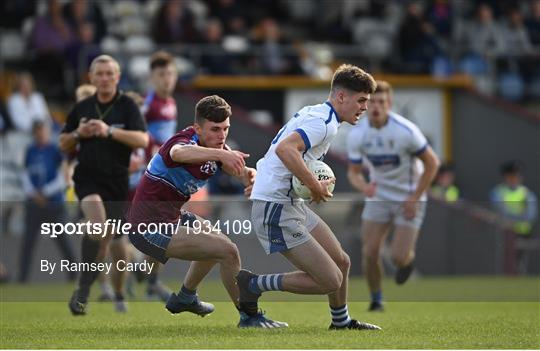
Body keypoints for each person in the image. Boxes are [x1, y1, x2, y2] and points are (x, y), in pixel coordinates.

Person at [127, 95, 287, 328]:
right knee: (228, 251)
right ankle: (249, 317)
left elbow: (243, 173)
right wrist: (222, 155)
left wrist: (252, 179)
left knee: (220, 243)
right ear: (197, 128)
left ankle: (185, 297)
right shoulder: (182, 143)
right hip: (147, 227)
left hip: (172, 218)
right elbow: (177, 154)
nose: (221, 136)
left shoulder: (216, 149)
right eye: (214, 129)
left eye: (225, 128)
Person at [245, 64, 381, 330]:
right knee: (330, 280)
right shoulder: (323, 123)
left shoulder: (321, 114)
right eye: (361, 100)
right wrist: (314, 185)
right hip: (276, 207)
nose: (364, 107)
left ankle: (340, 323)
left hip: (288, 201)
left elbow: (280, 151)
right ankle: (253, 284)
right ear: (341, 97)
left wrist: (265, 180)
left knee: (342, 262)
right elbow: (286, 149)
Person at [59, 55, 149, 315]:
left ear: (117, 77)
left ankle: (118, 293)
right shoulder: (82, 107)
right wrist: (79, 134)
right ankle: (84, 288)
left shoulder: (127, 107)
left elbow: (142, 139)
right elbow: (63, 142)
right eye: (100, 73)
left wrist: (109, 131)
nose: (105, 78)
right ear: (92, 77)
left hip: (117, 183)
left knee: (118, 246)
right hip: (87, 178)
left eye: (110, 73)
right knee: (98, 227)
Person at [346, 80, 440, 312]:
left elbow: (432, 163)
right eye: (371, 102)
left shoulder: (406, 131)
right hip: (379, 196)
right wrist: (363, 186)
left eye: (381, 102)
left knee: (398, 257)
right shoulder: (358, 133)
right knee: (369, 252)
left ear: (389, 104)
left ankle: (406, 261)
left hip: (408, 196)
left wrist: (415, 197)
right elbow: (354, 172)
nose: (376, 107)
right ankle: (376, 299)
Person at [19, 121, 76, 283]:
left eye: (43, 131)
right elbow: (25, 174)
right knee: (28, 241)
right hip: (34, 204)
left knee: (63, 239)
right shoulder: (30, 151)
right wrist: (34, 194)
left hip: (54, 203)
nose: (40, 134)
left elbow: (63, 175)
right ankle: (22, 277)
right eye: (37, 131)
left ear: (47, 132)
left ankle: (73, 273)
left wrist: (45, 192)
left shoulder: (55, 150)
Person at [490, 161, 538, 274]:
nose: (514, 178)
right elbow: (500, 211)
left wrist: (514, 219)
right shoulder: (498, 192)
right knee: (503, 262)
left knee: (520, 261)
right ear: (505, 176)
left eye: (517, 175)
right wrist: (518, 218)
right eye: (511, 175)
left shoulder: (527, 193)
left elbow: (531, 215)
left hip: (523, 232)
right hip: (504, 232)